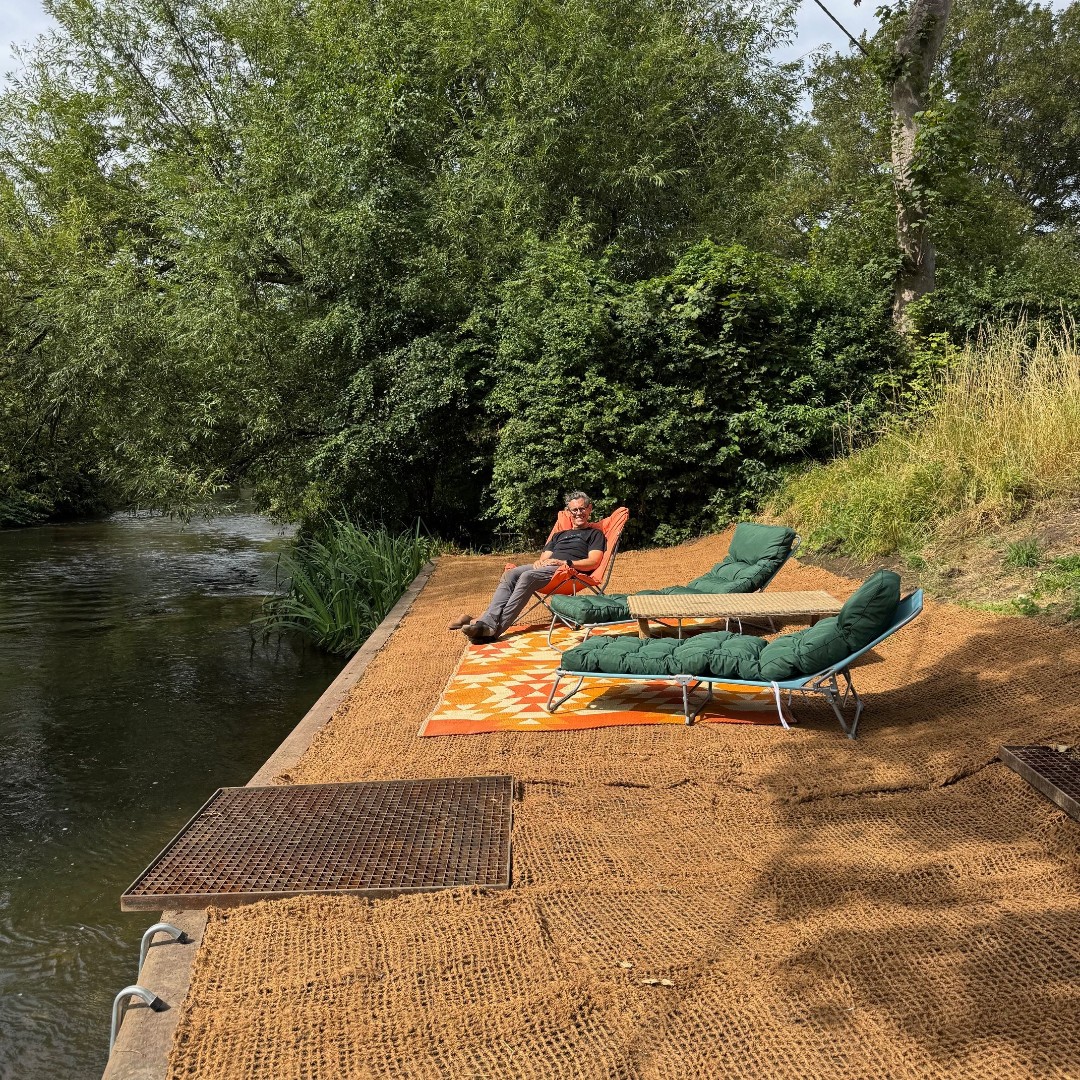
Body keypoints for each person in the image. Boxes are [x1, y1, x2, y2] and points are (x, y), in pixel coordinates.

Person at [450, 492, 607, 643]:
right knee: (510, 574)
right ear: (568, 512)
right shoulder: (559, 535)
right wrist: (540, 562)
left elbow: (593, 561)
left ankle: (492, 631)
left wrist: (565, 563)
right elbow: (545, 557)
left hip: (567, 572)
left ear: (589, 509)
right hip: (548, 567)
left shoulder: (595, 534)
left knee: (527, 577)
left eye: (582, 509)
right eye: (574, 510)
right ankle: (487, 622)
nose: (579, 513)